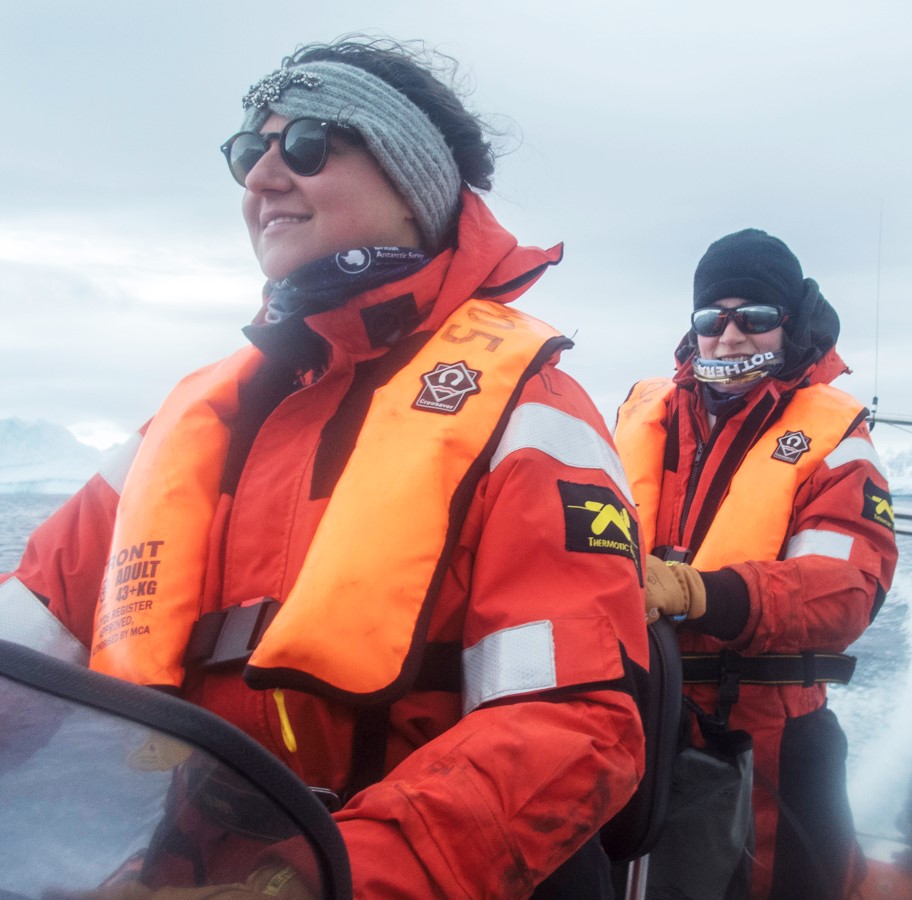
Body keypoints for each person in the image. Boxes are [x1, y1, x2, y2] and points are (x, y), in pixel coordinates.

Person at [0, 36, 648, 898]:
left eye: (305, 145)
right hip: (185, 868)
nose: (262, 178)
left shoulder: (527, 412)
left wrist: (317, 879)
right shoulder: (190, 422)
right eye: (246, 152)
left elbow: (578, 724)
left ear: (413, 185)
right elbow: (23, 633)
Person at [614, 229, 898, 898]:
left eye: (757, 318)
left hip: (765, 728)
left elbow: (846, 590)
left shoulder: (836, 439)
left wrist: (697, 592)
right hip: (633, 706)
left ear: (790, 324)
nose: (731, 334)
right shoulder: (640, 411)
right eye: (713, 318)